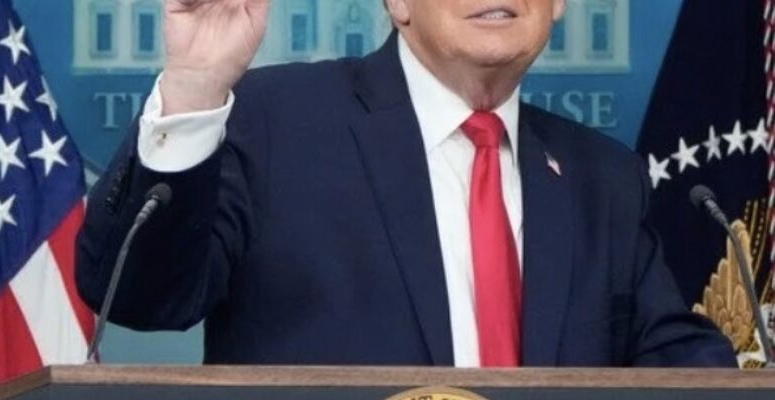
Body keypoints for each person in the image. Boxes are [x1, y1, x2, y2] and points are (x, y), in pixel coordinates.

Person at [76, 0, 736, 367]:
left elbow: (680, 364)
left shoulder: (603, 177)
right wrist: (194, 89)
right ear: (396, 3)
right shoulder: (275, 121)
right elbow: (139, 299)